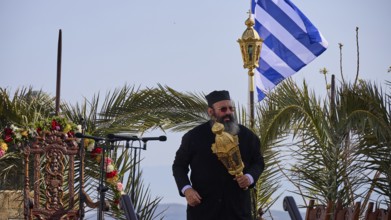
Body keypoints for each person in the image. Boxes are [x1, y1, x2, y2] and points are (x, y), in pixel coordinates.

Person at [172, 90, 265, 220]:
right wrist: (187, 189)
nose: (228, 112)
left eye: (230, 108)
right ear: (211, 112)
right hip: (204, 211)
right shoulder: (194, 136)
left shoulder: (247, 136)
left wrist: (249, 177)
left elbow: (258, 162)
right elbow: (179, 166)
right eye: (223, 109)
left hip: (237, 212)